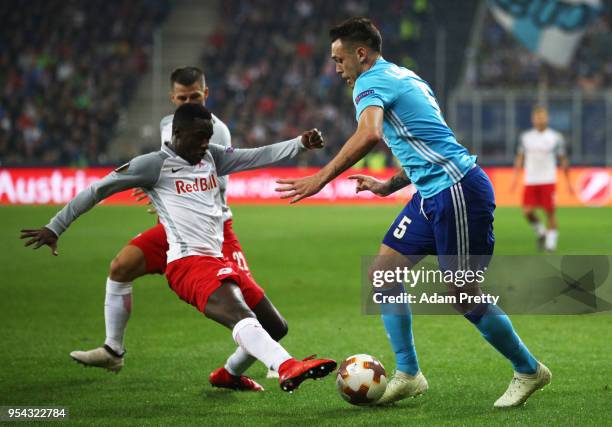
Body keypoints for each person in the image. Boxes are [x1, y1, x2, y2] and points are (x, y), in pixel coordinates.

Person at [276, 17, 550, 407]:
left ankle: (528, 369)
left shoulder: (369, 83)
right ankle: (408, 373)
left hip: (456, 191)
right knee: (383, 274)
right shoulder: (406, 77)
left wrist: (320, 177)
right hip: (432, 191)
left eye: (340, 60)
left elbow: (369, 134)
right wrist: (389, 185)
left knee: (462, 293)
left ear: (360, 54)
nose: (336, 68)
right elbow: (428, 141)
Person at [21, 103, 336, 392]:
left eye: (208, 137)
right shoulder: (154, 165)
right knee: (239, 313)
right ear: (178, 134)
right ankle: (286, 365)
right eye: (199, 137)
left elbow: (257, 155)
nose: (204, 144)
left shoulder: (212, 156)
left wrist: (299, 144)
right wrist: (55, 226)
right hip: (187, 263)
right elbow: (97, 189)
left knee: (274, 325)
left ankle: (228, 374)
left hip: (218, 257)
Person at [70, 66, 281, 391]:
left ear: (205, 94)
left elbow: (213, 188)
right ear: (172, 98)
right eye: (182, 97)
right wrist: (156, 183)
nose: (187, 101)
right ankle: (114, 350)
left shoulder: (217, 132)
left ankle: (249, 365)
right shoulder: (167, 126)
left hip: (214, 229)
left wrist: (174, 188)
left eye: (194, 96)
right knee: (120, 266)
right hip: (173, 229)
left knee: (266, 318)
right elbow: (165, 166)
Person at [511, 106, 573, 252]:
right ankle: (541, 232)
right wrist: (515, 178)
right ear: (533, 119)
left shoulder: (555, 137)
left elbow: (563, 158)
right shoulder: (526, 137)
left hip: (548, 180)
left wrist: (569, 182)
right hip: (530, 180)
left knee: (550, 212)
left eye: (542, 117)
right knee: (527, 212)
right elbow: (520, 157)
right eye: (537, 117)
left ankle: (550, 244)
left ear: (547, 118)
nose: (540, 120)